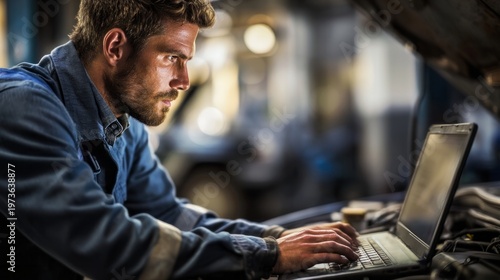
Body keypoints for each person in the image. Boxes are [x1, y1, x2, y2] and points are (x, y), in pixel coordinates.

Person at [0, 0, 359, 279]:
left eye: (186, 61)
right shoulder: (23, 106)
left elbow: (167, 214)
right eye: (172, 57)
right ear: (115, 47)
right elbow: (102, 240)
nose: (184, 80)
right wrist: (266, 256)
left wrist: (277, 239)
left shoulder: (125, 122)